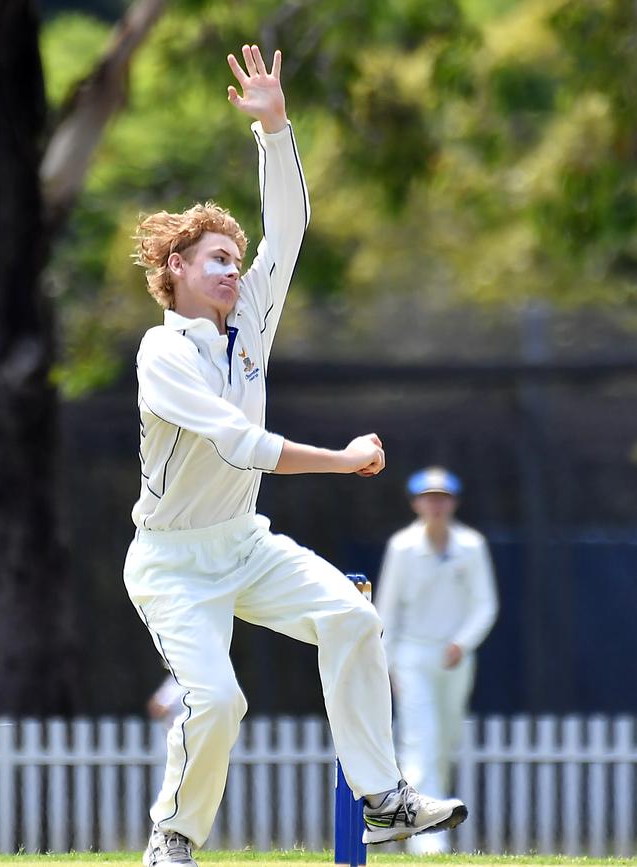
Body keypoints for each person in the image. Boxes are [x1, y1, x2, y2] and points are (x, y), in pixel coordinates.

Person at [123, 44, 468, 867]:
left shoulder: (249, 322)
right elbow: (241, 443)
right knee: (219, 702)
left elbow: (291, 225)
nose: (234, 273)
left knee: (352, 617)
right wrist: (346, 461)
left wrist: (275, 130)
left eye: (237, 264)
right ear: (176, 269)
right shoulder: (160, 354)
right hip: (172, 563)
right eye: (217, 260)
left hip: (243, 543)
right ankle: (173, 840)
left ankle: (383, 799)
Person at [375, 466, 499, 854]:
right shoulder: (402, 546)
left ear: (454, 502)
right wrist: (388, 662)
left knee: (445, 738)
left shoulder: (472, 545)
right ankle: (423, 845)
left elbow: (485, 604)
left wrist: (463, 643)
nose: (436, 505)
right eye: (429, 498)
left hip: (455, 657)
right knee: (421, 738)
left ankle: (423, 819)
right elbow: (387, 609)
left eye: (442, 498)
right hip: (412, 654)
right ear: (416, 503)